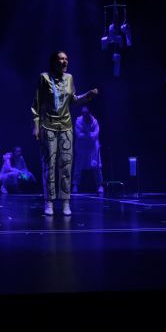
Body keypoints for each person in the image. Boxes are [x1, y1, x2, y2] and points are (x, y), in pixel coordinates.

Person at [32, 51, 98, 216]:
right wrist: (36, 126)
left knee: (66, 166)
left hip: (66, 127)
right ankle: (49, 202)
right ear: (54, 62)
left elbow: (73, 100)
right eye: (61, 59)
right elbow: (36, 104)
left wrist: (87, 96)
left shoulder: (70, 78)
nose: (64, 62)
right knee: (49, 166)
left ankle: (66, 202)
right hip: (48, 126)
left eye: (66, 59)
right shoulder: (44, 78)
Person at [73, 106, 103, 194]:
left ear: (89, 113)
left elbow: (96, 134)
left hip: (93, 147)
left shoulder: (94, 122)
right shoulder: (78, 121)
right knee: (78, 167)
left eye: (87, 113)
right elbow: (79, 135)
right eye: (83, 113)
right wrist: (89, 135)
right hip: (81, 148)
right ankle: (75, 185)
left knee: (96, 166)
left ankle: (100, 185)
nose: (85, 115)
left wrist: (87, 135)